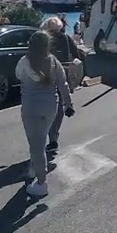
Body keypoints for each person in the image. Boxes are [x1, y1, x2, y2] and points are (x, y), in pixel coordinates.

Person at [16, 31, 74, 198]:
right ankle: (35, 168)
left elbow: (18, 75)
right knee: (40, 139)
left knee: (37, 145)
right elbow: (63, 84)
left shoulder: (24, 61)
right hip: (51, 106)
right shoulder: (53, 61)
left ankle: (41, 184)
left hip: (31, 107)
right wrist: (68, 104)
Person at [40, 16, 79, 153]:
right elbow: (76, 55)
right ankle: (53, 138)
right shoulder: (65, 38)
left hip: (49, 78)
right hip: (59, 76)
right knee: (59, 107)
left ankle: (51, 138)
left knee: (51, 108)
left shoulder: (45, 39)